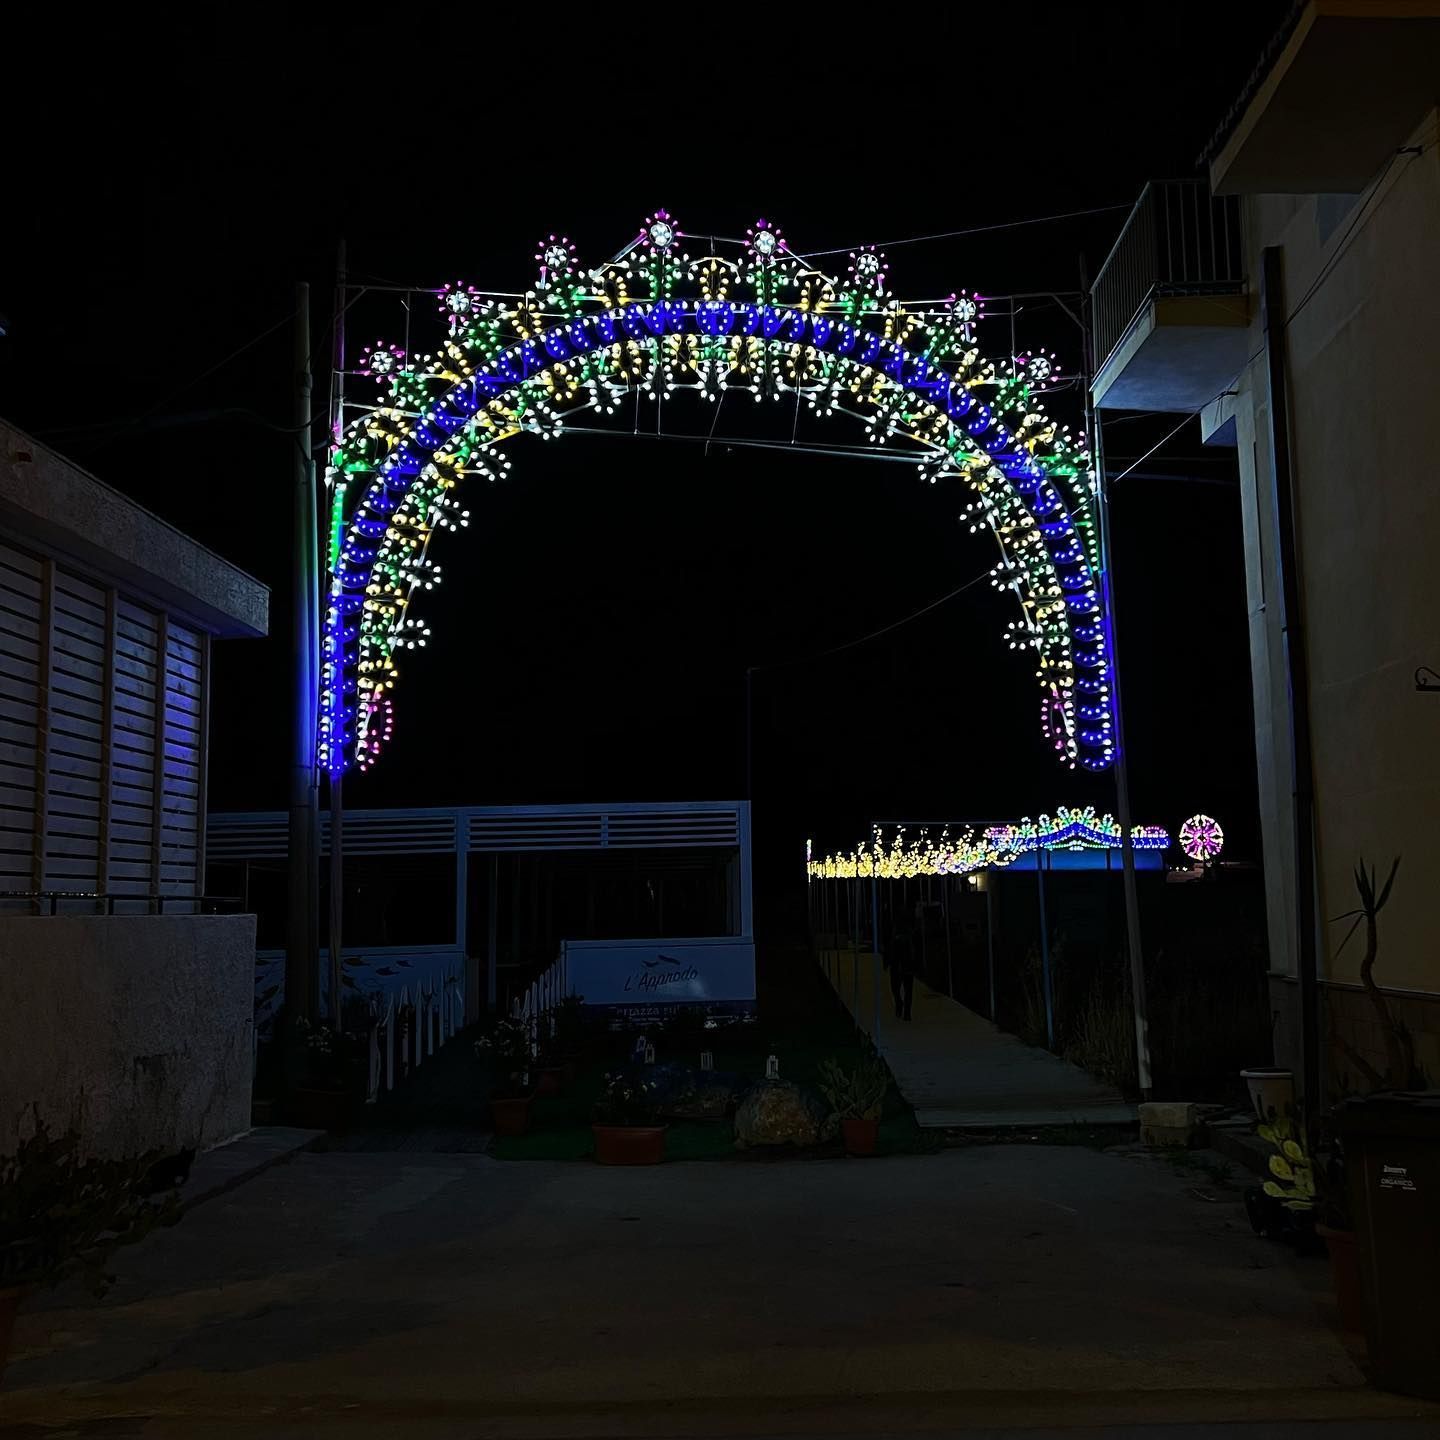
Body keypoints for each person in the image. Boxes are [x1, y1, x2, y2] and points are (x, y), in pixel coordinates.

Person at [884, 919, 914, 1022]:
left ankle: (904, 1009)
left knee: (899, 989)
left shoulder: (900, 938)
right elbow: (889, 949)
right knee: (904, 990)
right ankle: (904, 1010)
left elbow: (889, 950)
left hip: (901, 967)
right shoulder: (903, 937)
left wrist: (886, 962)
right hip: (903, 967)